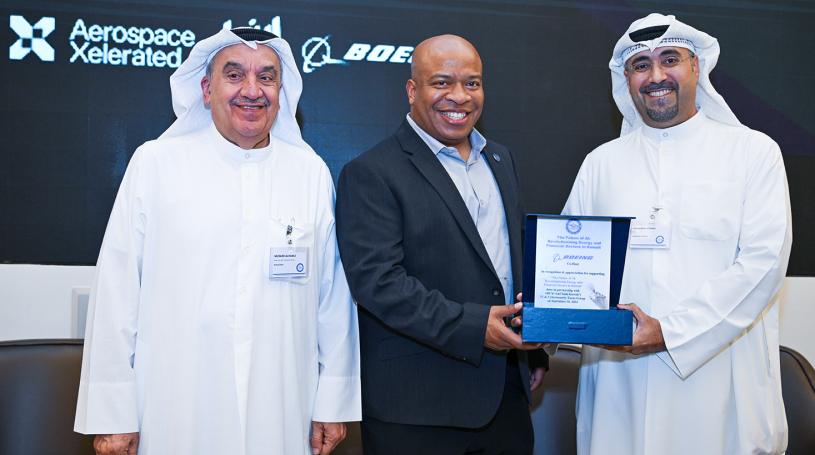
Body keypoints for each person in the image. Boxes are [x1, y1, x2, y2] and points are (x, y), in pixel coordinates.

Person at [74, 27, 361, 455]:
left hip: (281, 405)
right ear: (207, 90)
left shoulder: (310, 174)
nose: (252, 90)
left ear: (281, 92)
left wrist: (333, 402)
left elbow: (333, 299)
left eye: (266, 77)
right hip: (175, 406)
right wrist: (114, 415)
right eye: (235, 75)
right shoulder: (156, 164)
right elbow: (117, 294)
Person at [562, 13, 792, 455]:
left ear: (696, 67)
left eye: (670, 59)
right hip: (618, 385)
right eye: (641, 64)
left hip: (716, 381)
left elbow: (763, 266)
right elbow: (571, 264)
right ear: (627, 79)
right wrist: (545, 319)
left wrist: (669, 331)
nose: (656, 76)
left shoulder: (753, 153)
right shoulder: (600, 164)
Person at [335, 35, 547, 455]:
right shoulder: (371, 171)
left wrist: (536, 340)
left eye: (472, 83)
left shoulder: (501, 159)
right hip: (418, 407)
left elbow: (511, 262)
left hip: (505, 396)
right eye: (442, 82)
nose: (460, 96)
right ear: (412, 90)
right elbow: (378, 284)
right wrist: (475, 328)